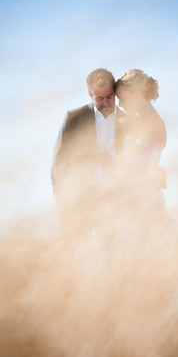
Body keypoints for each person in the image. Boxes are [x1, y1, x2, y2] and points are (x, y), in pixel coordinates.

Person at [51, 68, 128, 238]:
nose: (106, 103)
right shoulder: (73, 118)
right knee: (74, 254)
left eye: (109, 97)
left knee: (111, 255)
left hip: (114, 199)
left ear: (115, 92)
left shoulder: (128, 121)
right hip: (79, 200)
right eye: (99, 99)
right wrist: (62, 198)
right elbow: (59, 161)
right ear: (89, 95)